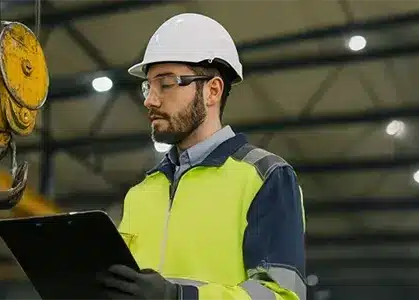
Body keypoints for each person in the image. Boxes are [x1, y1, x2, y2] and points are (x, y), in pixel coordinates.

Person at [96, 13, 307, 300]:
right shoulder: (140, 193)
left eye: (166, 83)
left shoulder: (266, 177)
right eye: (148, 86)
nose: (149, 100)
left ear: (212, 90)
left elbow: (280, 296)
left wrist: (179, 297)